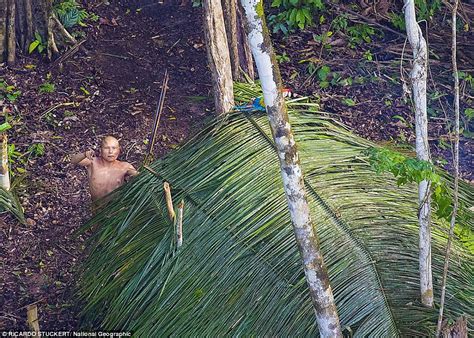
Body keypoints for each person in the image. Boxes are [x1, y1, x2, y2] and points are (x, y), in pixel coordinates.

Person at [71, 136, 138, 201]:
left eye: (114, 148)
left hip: (116, 208)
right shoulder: (92, 162)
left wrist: (134, 174)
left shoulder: (125, 166)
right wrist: (84, 154)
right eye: (106, 148)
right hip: (96, 208)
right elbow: (73, 161)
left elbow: (139, 177)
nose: (110, 152)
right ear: (101, 150)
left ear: (119, 150)